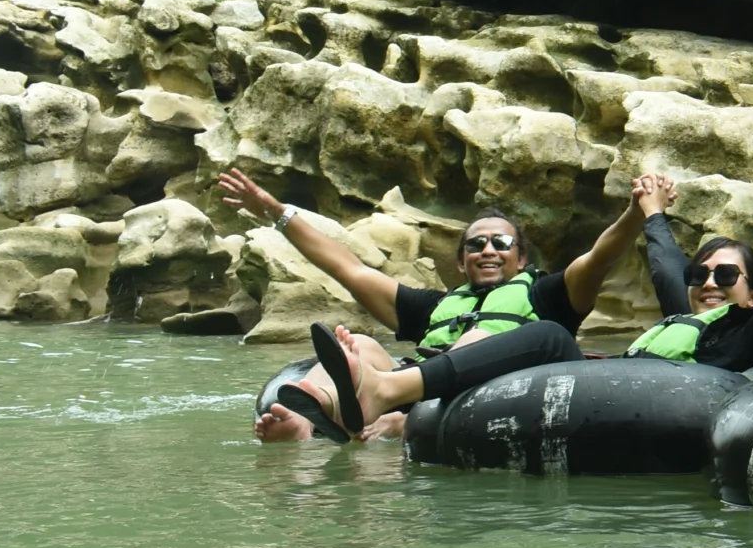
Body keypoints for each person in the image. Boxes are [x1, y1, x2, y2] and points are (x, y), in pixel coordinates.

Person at [220, 167, 655, 442]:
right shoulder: (437, 306)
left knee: (503, 333)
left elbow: (600, 257)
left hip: (500, 392)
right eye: (475, 244)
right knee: (362, 346)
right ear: (461, 262)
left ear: (522, 258)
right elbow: (349, 269)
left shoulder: (546, 294)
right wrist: (277, 213)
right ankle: (308, 424)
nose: (488, 249)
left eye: (501, 243)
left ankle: (391, 406)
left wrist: (636, 214)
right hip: (426, 388)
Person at [624, 170, 753, 370]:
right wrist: (652, 210)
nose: (709, 283)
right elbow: (666, 267)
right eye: (698, 275)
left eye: (726, 275)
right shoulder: (692, 321)